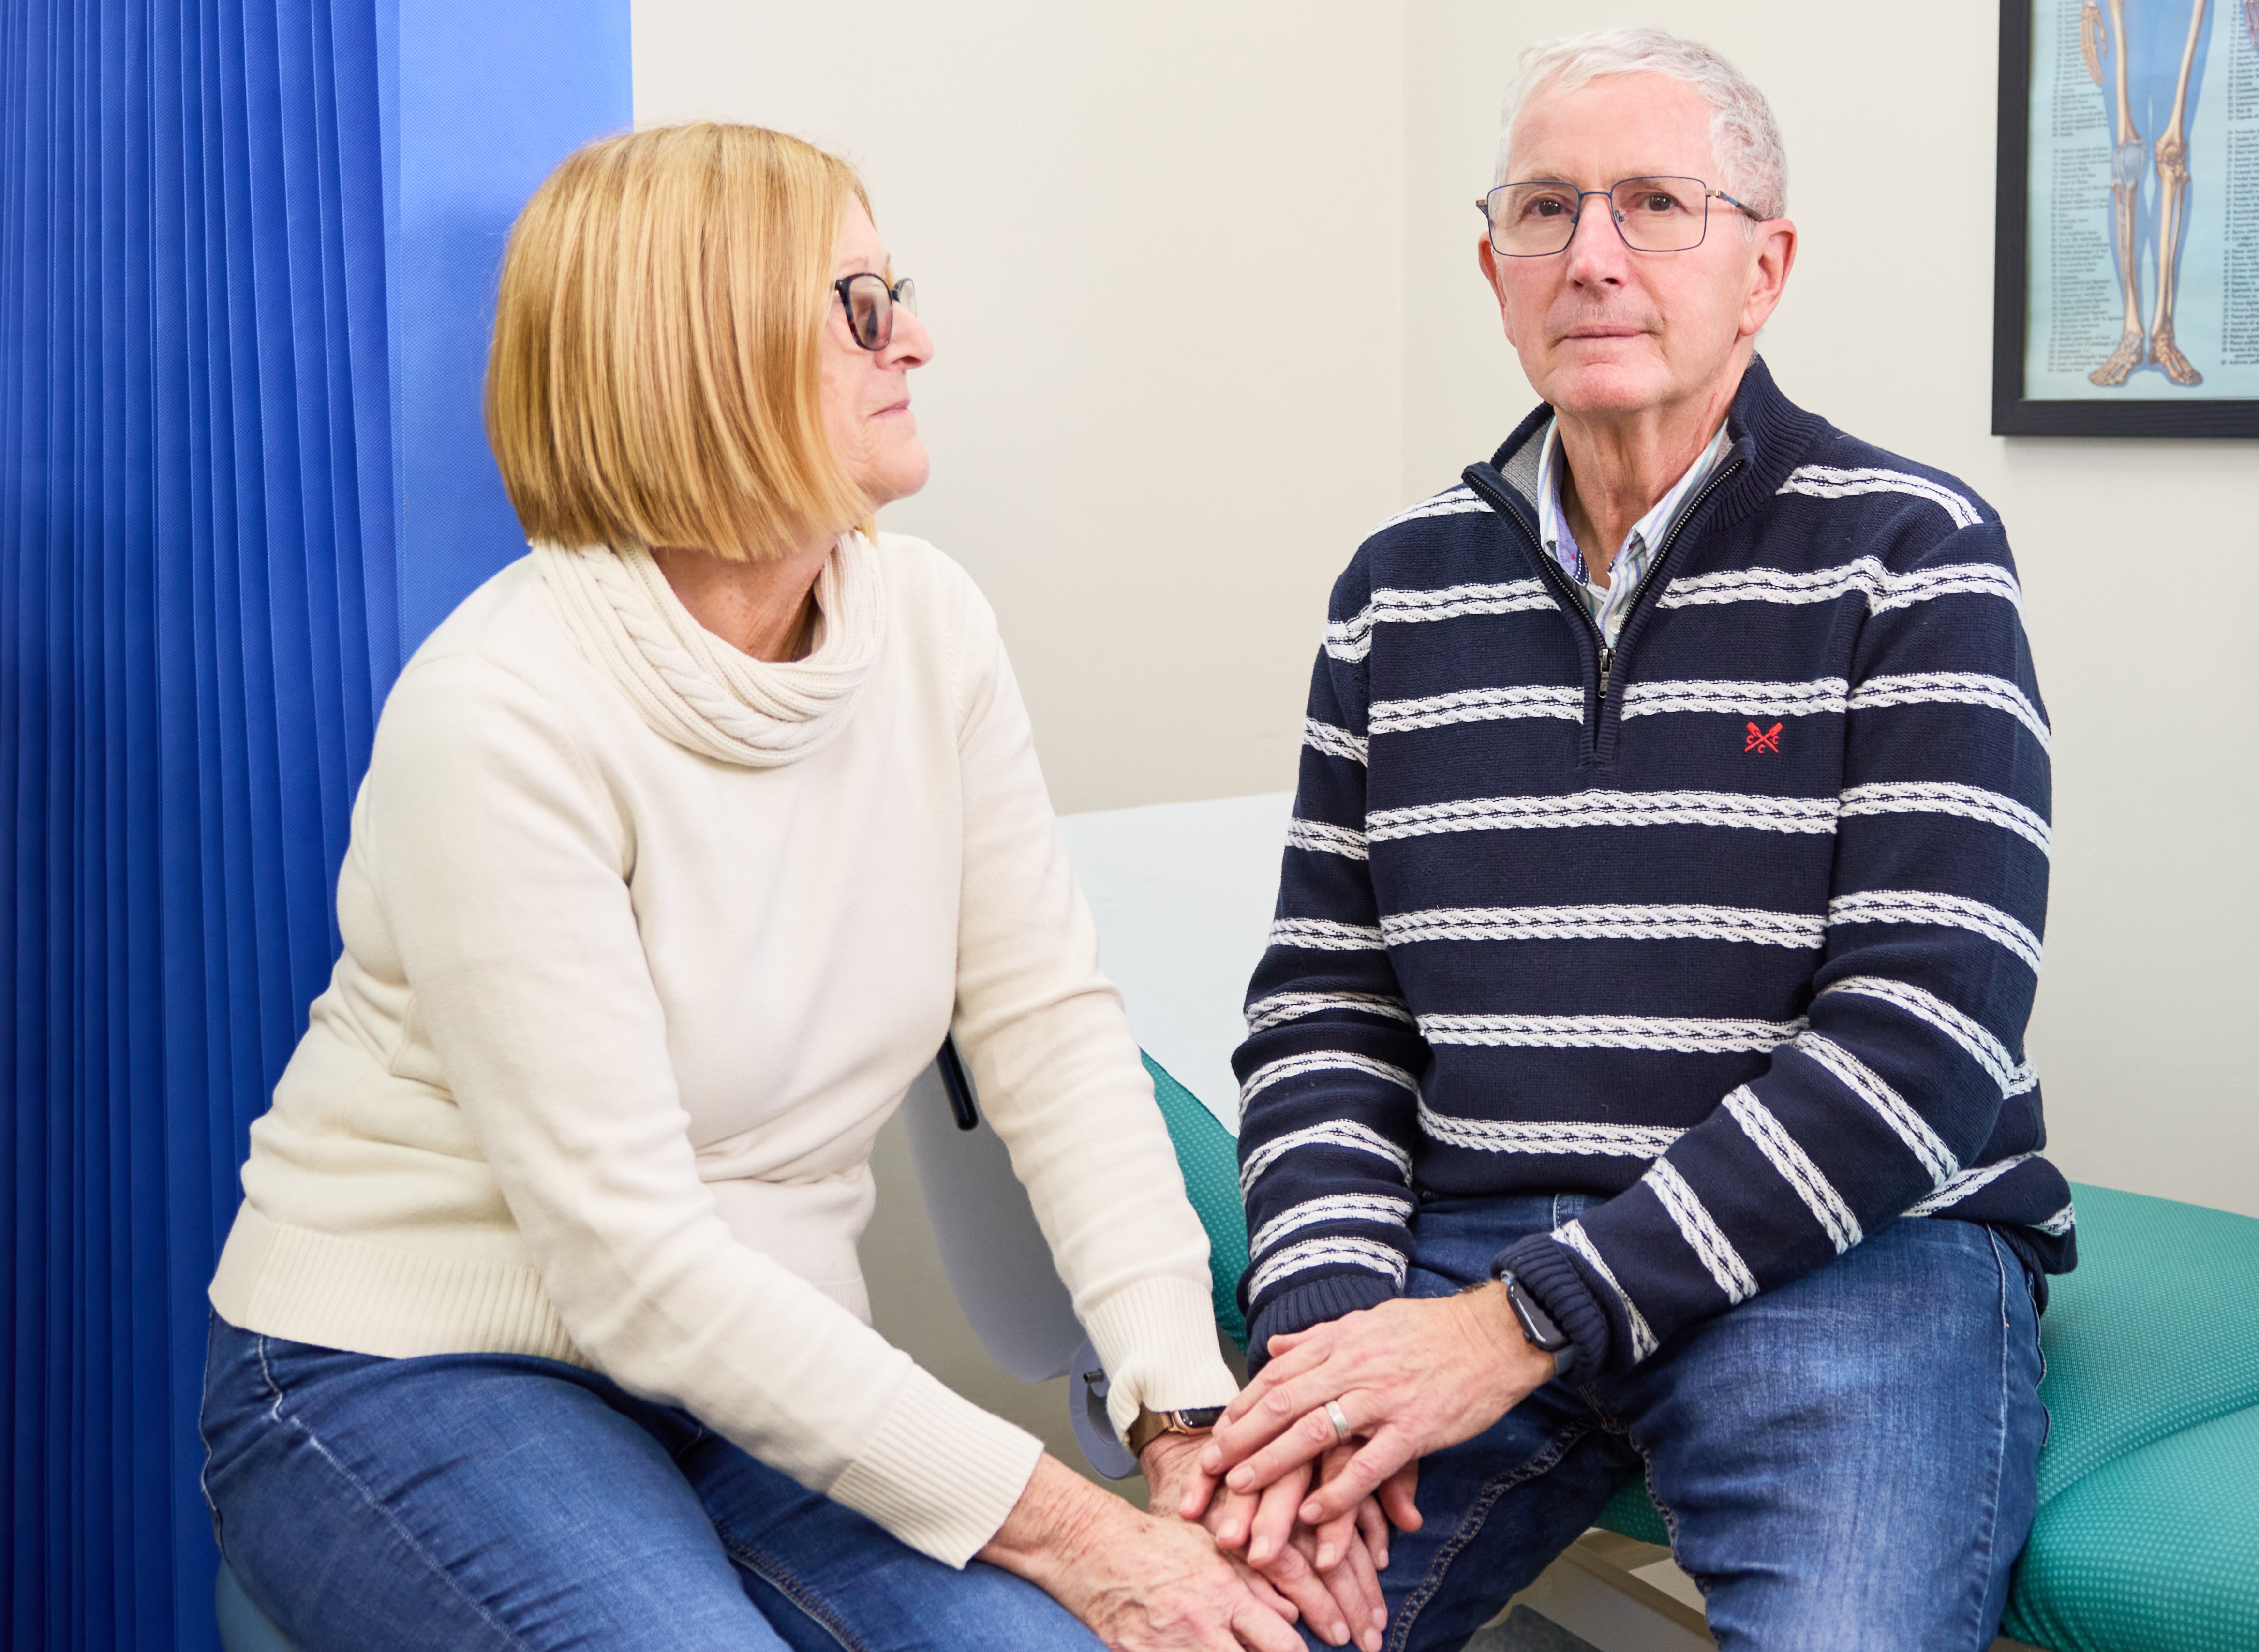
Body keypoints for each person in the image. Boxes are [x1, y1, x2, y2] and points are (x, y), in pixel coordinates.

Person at [196, 123, 1382, 1652]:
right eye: (862, 303)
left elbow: (1048, 1035)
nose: (920, 337)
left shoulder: (929, 624)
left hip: (756, 1369)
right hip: (404, 1371)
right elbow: (634, 1267)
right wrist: (1083, 1532)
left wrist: (1182, 1418)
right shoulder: (500, 714)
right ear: (706, 351)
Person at [1189, 30, 2072, 1652]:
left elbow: (1930, 1033)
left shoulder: (1911, 556)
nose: (1592, 257)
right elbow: (1327, 1004)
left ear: (1763, 267)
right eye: (1544, 211)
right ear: (1493, 265)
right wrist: (1325, 1328)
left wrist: (1529, 1321)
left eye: (1656, 204)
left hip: (1850, 1255)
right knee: (1197, 1620)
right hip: (1465, 1237)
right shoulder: (1395, 589)